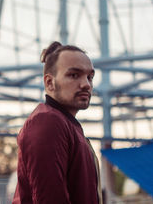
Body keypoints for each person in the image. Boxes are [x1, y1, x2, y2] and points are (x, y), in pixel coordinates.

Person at [13, 41, 102, 204]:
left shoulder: (65, 124)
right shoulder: (47, 122)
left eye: (90, 77)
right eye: (74, 75)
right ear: (49, 82)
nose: (86, 85)